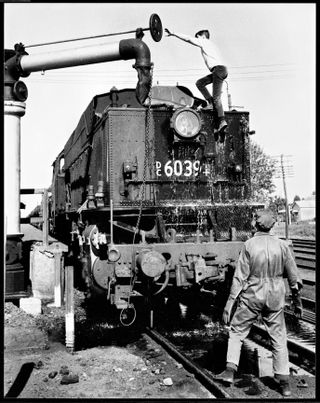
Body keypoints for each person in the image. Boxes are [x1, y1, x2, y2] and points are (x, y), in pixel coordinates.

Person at [214, 209, 303, 397]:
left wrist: (229, 304)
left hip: (253, 294)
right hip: (276, 295)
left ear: (256, 224)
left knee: (237, 331)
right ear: (273, 224)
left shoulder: (249, 245)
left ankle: (230, 371)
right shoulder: (283, 245)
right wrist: (297, 303)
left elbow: (239, 278)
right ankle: (284, 383)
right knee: (278, 337)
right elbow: (294, 280)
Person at [165, 28, 228, 134]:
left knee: (217, 97)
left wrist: (174, 34)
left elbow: (188, 39)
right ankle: (211, 103)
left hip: (218, 70)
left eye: (197, 37)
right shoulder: (212, 45)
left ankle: (222, 121)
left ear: (203, 36)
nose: (196, 40)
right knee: (200, 83)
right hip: (219, 70)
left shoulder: (205, 42)